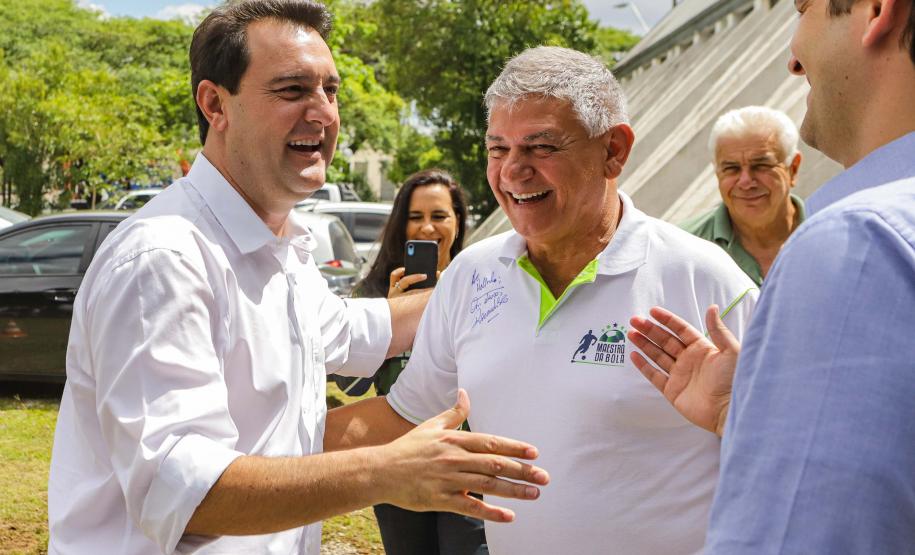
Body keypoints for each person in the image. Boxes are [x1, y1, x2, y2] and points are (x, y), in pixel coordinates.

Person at [46, 2, 548, 554]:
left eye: (330, 91)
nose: (324, 114)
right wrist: (385, 472)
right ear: (216, 104)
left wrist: (503, 266)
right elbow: (187, 495)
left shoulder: (279, 248)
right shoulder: (164, 259)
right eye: (291, 91)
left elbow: (358, 331)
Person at [376, 46, 759, 554]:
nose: (513, 171)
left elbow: (800, 465)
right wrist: (254, 448)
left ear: (614, 150)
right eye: (498, 149)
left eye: (541, 147)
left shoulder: (704, 281)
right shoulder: (471, 275)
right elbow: (403, 416)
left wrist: (736, 419)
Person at [627, 0, 915, 550]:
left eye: (803, 8)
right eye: (731, 169)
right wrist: (754, 412)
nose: (793, 63)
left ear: (877, 11)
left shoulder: (855, 243)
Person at [332, 169, 488, 555]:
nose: (427, 228)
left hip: (467, 459)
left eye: (439, 216)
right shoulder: (374, 290)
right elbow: (349, 385)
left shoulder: (484, 286)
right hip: (398, 456)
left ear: (458, 222)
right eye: (415, 217)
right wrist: (388, 316)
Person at [681, 106, 806, 284]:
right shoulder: (682, 246)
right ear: (717, 173)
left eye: (761, 165)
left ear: (793, 168)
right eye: (731, 168)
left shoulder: (835, 233)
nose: (746, 182)